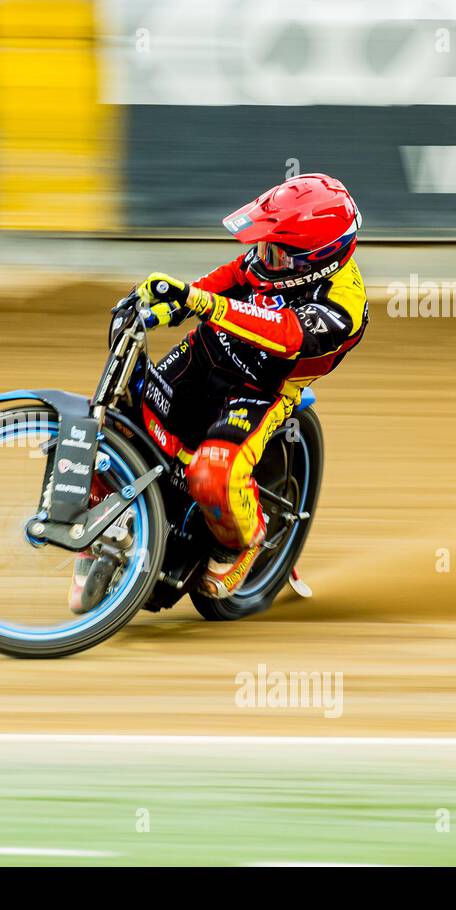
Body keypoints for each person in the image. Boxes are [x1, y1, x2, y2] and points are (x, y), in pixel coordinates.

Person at [131, 172, 368, 599]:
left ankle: (240, 541)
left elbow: (288, 335)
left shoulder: (344, 302)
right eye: (263, 245)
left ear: (317, 260)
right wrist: (173, 304)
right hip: (205, 353)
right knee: (130, 415)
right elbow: (232, 275)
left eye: (275, 253)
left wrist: (205, 304)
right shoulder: (271, 260)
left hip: (262, 390)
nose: (262, 258)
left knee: (211, 472)